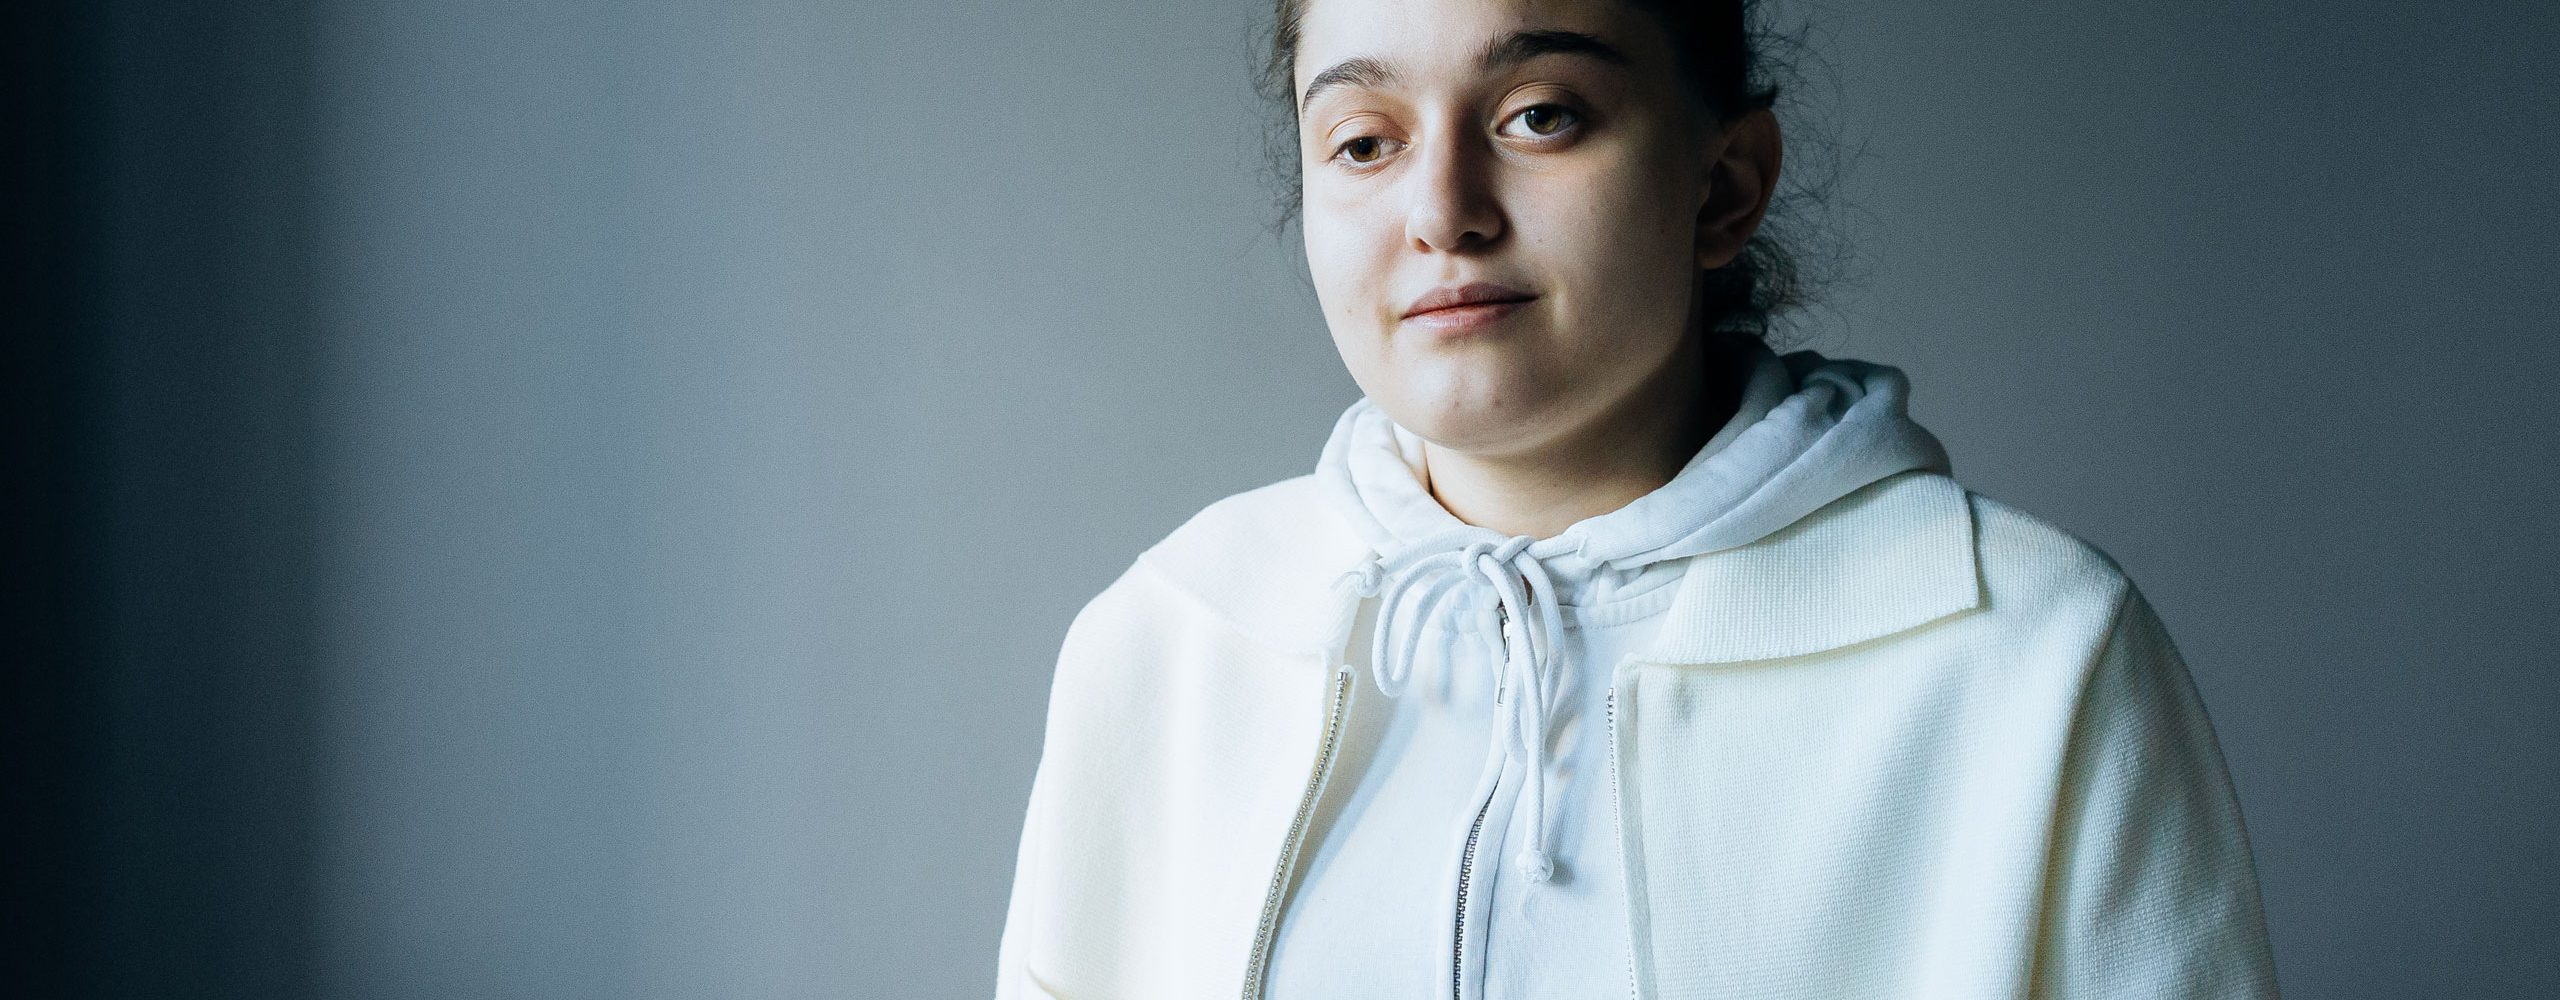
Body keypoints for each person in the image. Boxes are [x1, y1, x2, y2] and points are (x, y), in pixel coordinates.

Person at [991, 0, 2281, 996]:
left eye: (1540, 113)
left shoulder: (2031, 653)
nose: (1441, 212)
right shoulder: (1177, 639)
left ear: (1723, 185)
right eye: (1365, 141)